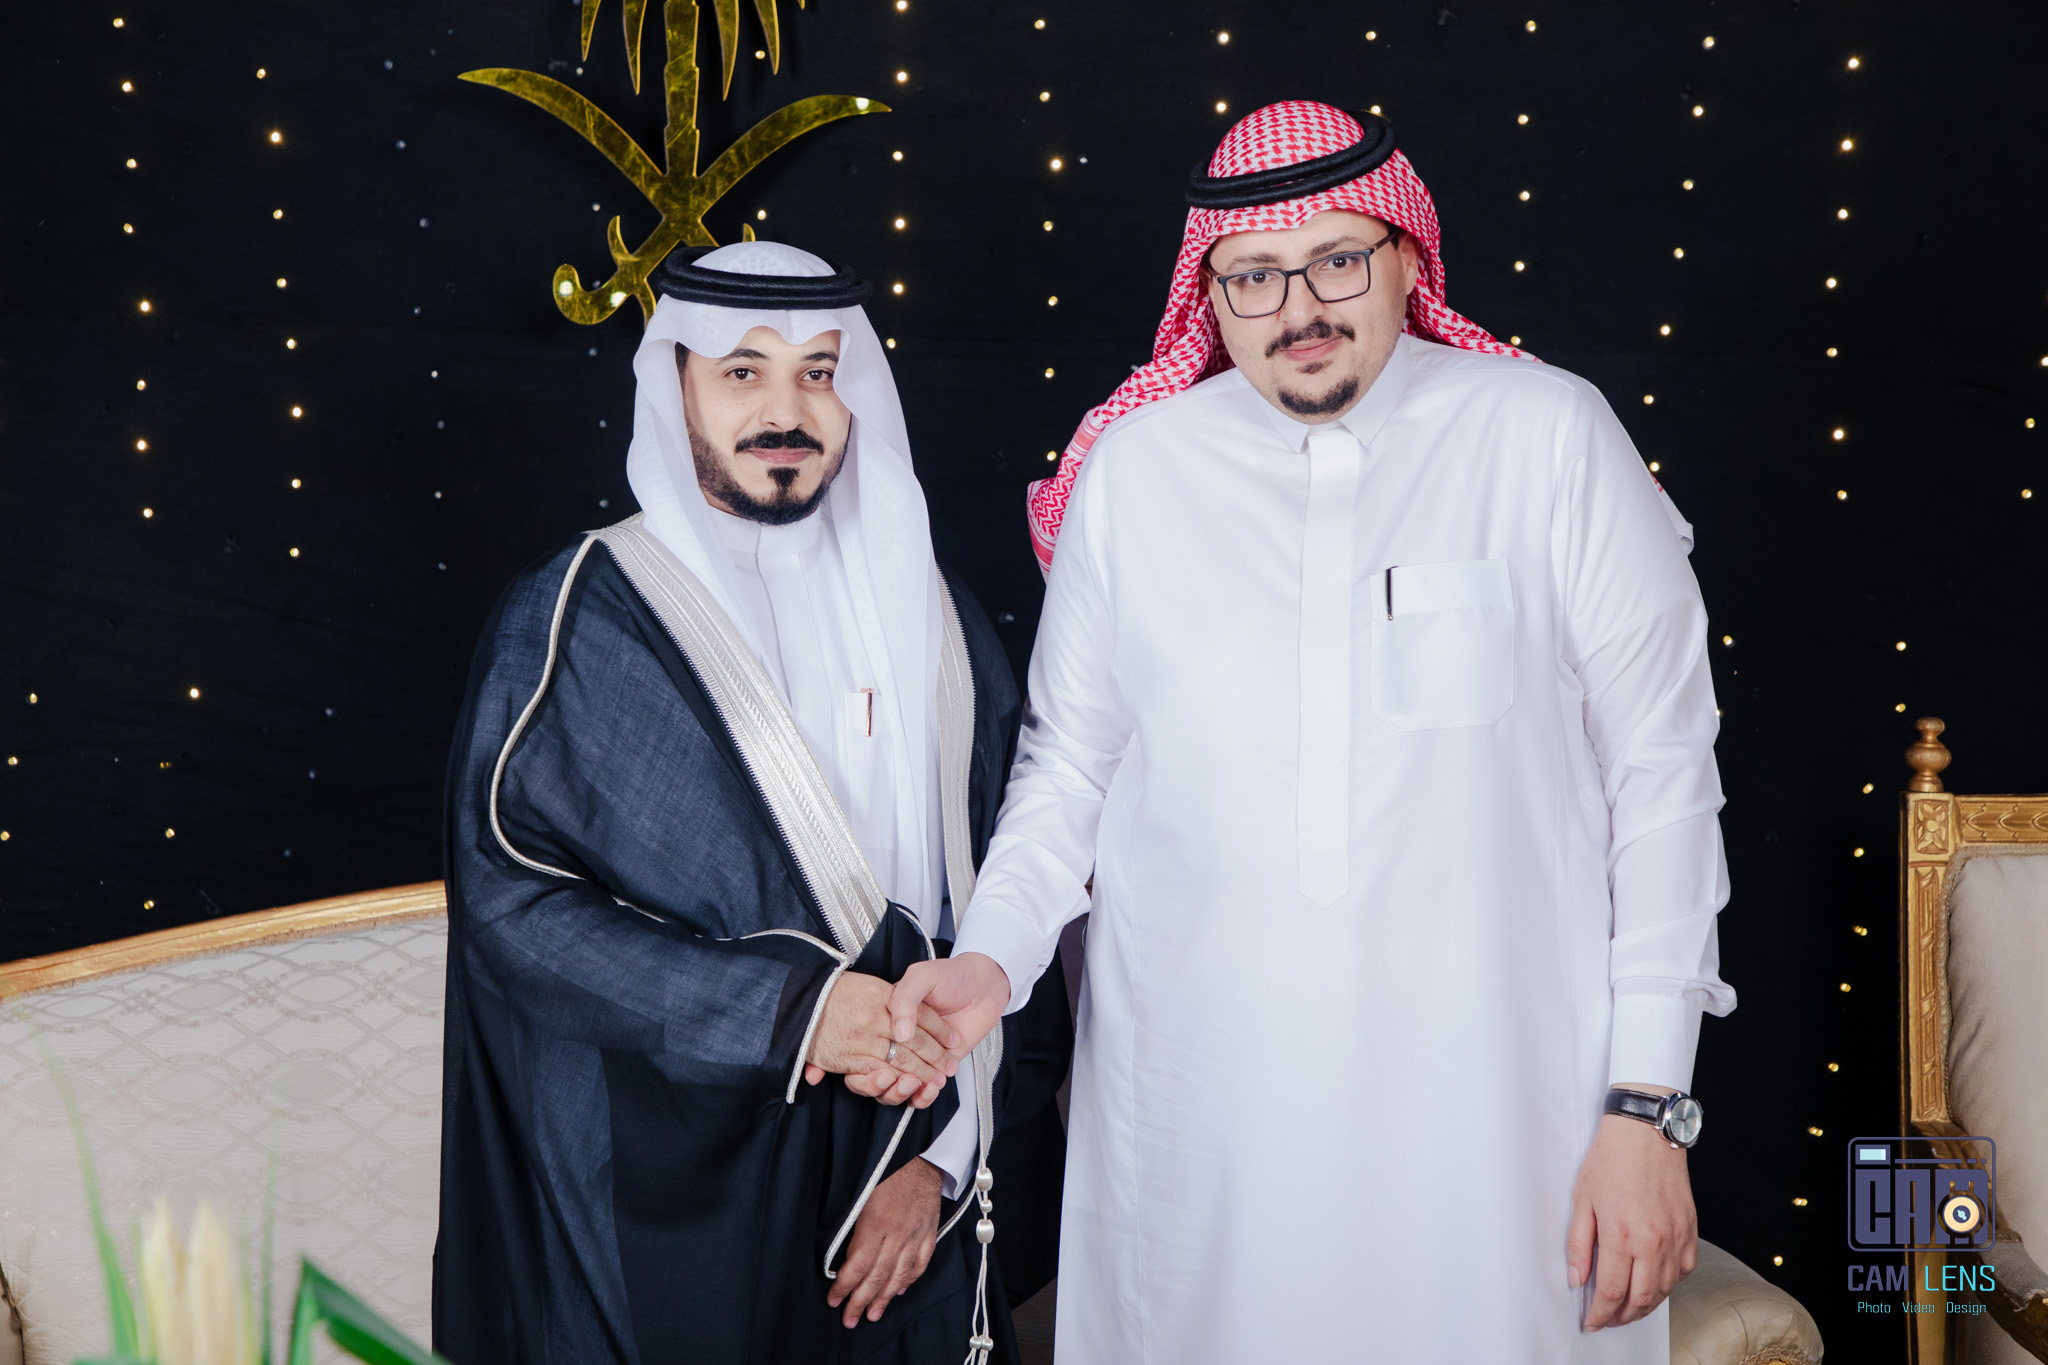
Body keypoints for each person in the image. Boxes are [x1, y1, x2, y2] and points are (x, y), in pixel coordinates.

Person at [890, 102, 1736, 1363]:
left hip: (1504, 1125)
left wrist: (1647, 1107)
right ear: (1208, 295)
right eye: (1253, 276)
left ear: (1405, 257)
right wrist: (992, 961)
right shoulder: (1134, 472)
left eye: (1336, 260)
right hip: (1202, 1132)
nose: (1298, 309)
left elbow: (1662, 780)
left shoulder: (1547, 437)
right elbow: (1067, 768)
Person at [434, 240, 1070, 1365]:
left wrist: (936, 1161)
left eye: (818, 372)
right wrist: (792, 1015)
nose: (786, 411)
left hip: (914, 1186)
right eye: (742, 372)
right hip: (670, 1201)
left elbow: (1002, 889)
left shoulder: (932, 615)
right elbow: (515, 912)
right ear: (674, 384)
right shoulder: (584, 615)